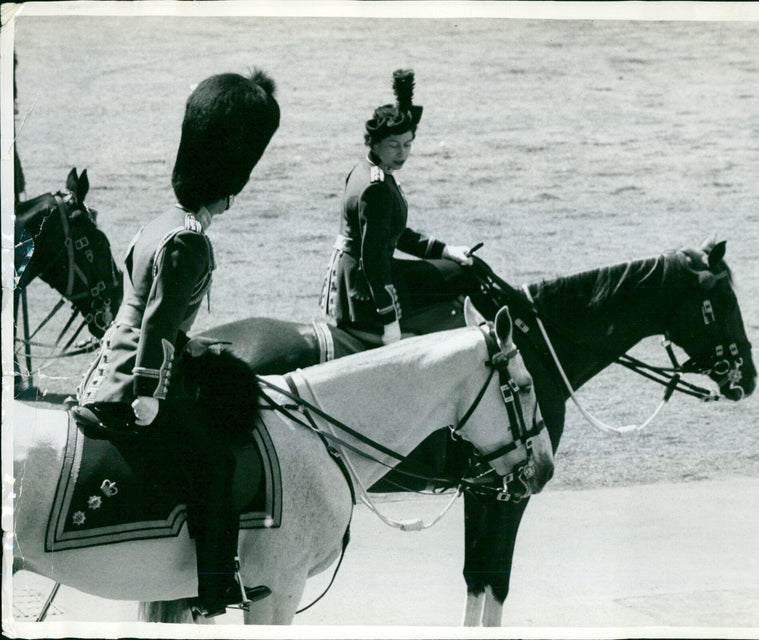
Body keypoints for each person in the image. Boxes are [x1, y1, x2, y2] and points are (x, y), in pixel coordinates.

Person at [75, 69, 280, 617]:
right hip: (129, 386)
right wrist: (149, 394)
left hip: (105, 367)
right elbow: (158, 328)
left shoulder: (162, 222)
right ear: (232, 181)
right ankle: (216, 588)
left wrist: (197, 354)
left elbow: (140, 310)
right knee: (216, 462)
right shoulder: (191, 240)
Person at [320, 69, 477, 345]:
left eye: (407, 145)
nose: (402, 153)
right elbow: (373, 259)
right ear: (375, 143)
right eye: (394, 145)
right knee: (462, 278)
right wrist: (388, 318)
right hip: (364, 285)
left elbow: (393, 233)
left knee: (456, 269)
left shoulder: (368, 169)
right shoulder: (377, 187)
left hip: (355, 271)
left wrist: (446, 250)